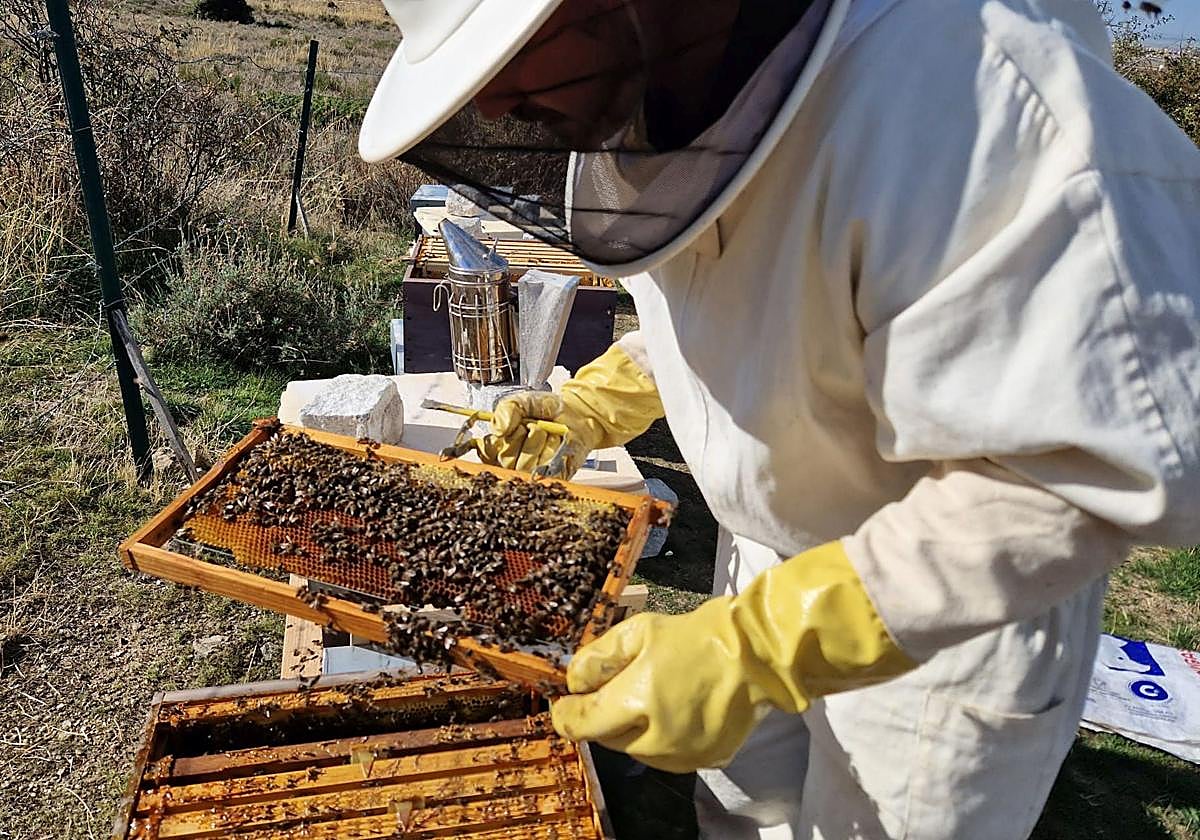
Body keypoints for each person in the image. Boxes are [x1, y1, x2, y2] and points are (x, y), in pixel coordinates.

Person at [359, 1, 1200, 837]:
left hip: (938, 616)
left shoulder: (978, 102)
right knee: (740, 813)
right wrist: (590, 405)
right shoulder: (669, 104)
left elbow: (1080, 472)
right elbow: (717, 310)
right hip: (760, 554)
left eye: (510, 53)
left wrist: (766, 645)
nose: (496, 104)